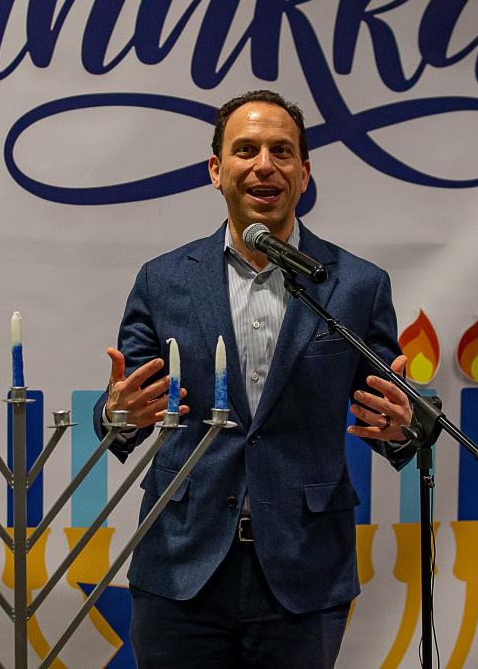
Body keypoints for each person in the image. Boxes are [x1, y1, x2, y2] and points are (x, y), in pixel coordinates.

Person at [92, 90, 415, 667]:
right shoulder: (162, 280)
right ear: (217, 170)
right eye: (246, 150)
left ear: (304, 172)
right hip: (180, 563)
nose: (264, 164)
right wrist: (119, 413)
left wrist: (403, 426)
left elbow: (393, 401)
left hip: (304, 568)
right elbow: (122, 409)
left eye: (282, 151)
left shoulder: (356, 285)